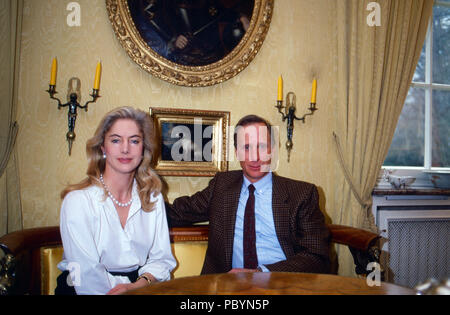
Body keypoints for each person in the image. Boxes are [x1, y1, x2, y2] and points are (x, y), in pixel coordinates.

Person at [165, 115, 331, 274]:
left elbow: (317, 257)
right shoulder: (222, 186)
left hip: (283, 283)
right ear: (237, 152)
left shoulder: (301, 194)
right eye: (246, 147)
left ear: (273, 151)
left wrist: (261, 272)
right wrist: (141, 194)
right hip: (229, 287)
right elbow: (178, 213)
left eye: (262, 146)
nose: (254, 157)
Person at [55, 107, 176, 295]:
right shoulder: (77, 201)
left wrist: (139, 284)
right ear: (103, 147)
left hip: (139, 287)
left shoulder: (153, 197)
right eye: (116, 140)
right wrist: (127, 289)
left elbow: (161, 260)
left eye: (134, 141)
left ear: (144, 149)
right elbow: (85, 275)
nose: (125, 148)